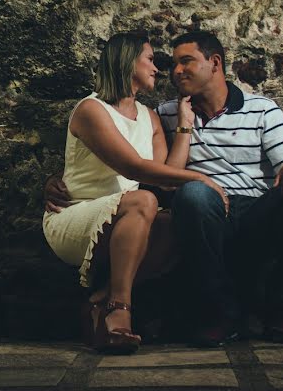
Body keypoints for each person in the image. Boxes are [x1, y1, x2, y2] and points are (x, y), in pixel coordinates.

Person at [46, 30, 283, 347]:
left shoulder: (262, 109)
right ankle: (216, 314)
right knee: (190, 196)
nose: (173, 72)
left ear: (214, 63)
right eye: (166, 62)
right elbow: (126, 160)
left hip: (256, 212)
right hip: (205, 213)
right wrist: (57, 179)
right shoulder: (165, 114)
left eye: (185, 61)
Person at [42, 32, 227, 353]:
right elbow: (134, 169)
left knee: (178, 220)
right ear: (128, 61)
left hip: (130, 216)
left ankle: (100, 300)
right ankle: (120, 310)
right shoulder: (91, 109)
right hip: (73, 217)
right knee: (144, 200)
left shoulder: (149, 117)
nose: (159, 69)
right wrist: (201, 179)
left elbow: (166, 176)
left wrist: (185, 126)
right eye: (151, 59)